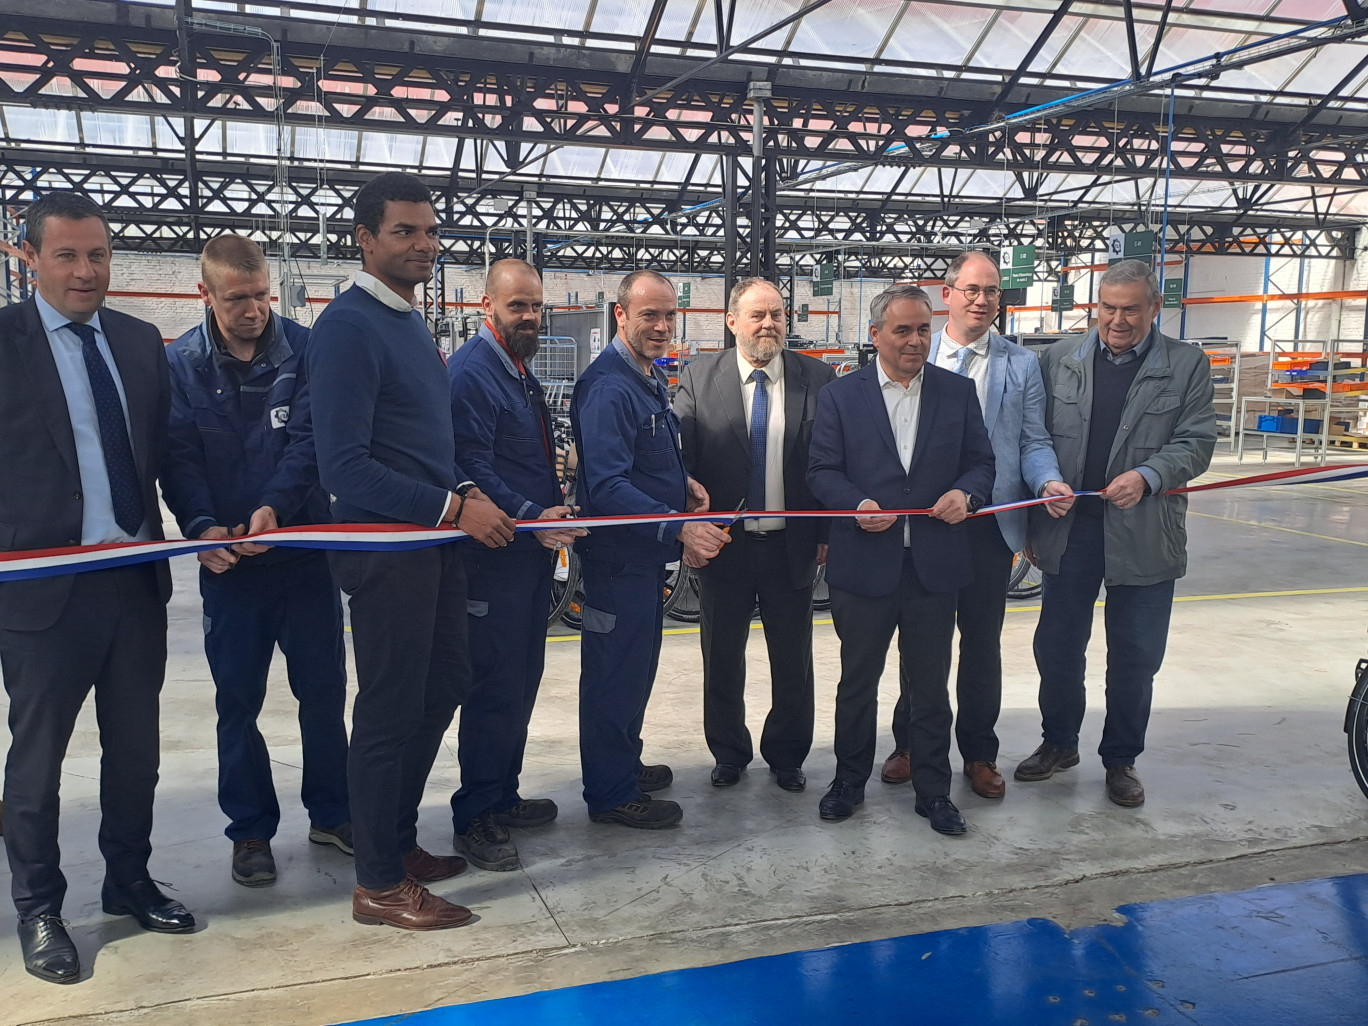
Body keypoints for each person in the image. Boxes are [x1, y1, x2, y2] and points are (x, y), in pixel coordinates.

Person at [308, 172, 514, 930]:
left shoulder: (408, 323)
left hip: (432, 547)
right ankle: (377, 884)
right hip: (388, 550)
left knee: (446, 679)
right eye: (405, 231)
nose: (423, 244)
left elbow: (425, 443)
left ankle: (393, 843)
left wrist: (464, 489)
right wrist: (453, 507)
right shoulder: (348, 328)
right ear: (365, 239)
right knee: (390, 712)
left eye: (430, 232)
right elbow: (346, 466)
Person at [0, 191, 193, 985]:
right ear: (30, 259)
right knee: (38, 761)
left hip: (131, 580)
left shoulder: (141, 341)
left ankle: (129, 879)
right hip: (43, 592)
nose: (86, 271)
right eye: (68, 255)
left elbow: (167, 453)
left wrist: (207, 520)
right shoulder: (4, 344)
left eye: (98, 254)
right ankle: (40, 906)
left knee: (135, 751)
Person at [161, 234, 351, 889]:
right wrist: (200, 528)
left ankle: (333, 811)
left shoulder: (305, 349)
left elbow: (311, 444)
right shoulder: (181, 364)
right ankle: (249, 832)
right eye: (237, 298)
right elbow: (178, 457)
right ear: (205, 294)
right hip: (230, 573)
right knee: (236, 704)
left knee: (323, 695)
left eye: (261, 294)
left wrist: (274, 508)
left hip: (302, 560)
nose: (254, 310)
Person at [1014, 259, 1216, 808]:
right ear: (1095, 307)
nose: (1118, 320)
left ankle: (1121, 758)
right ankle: (1059, 743)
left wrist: (1150, 476)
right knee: (1057, 648)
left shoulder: (1187, 364)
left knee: (1135, 655)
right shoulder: (1059, 360)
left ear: (1154, 308)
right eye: (1109, 308)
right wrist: (1038, 506)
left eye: (1131, 309)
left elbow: (1197, 442)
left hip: (1145, 532)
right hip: (1068, 531)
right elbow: (1035, 440)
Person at [881, 252, 1074, 798]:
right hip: (929, 524)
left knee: (982, 648)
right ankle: (912, 744)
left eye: (991, 292)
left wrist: (1046, 484)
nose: (982, 300)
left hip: (991, 526)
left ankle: (979, 754)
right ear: (948, 294)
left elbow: (1032, 441)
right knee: (922, 645)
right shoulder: (917, 355)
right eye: (971, 289)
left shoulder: (1020, 365)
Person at [807, 284, 995, 834]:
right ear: (875, 337)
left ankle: (935, 792)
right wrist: (854, 504)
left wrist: (967, 494)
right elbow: (821, 471)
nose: (915, 341)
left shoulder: (956, 393)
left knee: (931, 686)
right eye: (903, 330)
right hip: (864, 565)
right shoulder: (843, 396)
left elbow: (981, 462)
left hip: (933, 568)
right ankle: (847, 782)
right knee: (857, 681)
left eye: (922, 329)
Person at [569, 270, 730, 828]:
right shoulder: (609, 386)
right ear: (621, 315)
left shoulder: (644, 375)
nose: (662, 327)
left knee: (635, 670)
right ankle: (611, 794)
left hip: (640, 562)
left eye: (668, 315)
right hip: (618, 560)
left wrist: (680, 482)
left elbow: (642, 455)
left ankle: (622, 764)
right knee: (614, 674)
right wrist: (678, 526)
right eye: (649, 316)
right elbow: (608, 485)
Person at [446, 258, 584, 871]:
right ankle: (475, 814)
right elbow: (471, 464)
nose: (529, 316)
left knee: (521, 679)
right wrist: (533, 510)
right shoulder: (475, 372)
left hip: (525, 554)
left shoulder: (518, 371)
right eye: (516, 307)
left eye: (535, 306)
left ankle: (501, 794)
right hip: (493, 558)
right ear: (487, 307)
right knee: (493, 686)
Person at [675, 277, 836, 794]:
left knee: (794, 661)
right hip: (725, 547)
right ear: (731, 321)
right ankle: (728, 752)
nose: (769, 324)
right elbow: (682, 459)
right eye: (757, 315)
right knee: (722, 657)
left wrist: (828, 531)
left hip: (793, 544)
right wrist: (689, 520)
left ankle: (787, 756)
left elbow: (830, 462)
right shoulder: (700, 377)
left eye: (777, 314)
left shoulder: (818, 377)